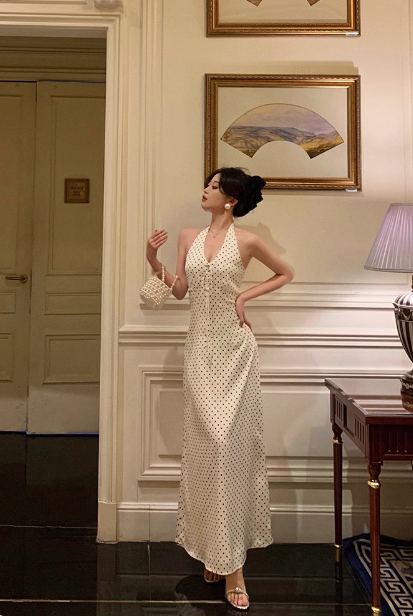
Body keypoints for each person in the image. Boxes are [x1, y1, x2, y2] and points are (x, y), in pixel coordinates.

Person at [146, 167, 293, 610]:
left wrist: (244, 297)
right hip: (199, 353)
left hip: (235, 351)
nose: (205, 190)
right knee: (207, 453)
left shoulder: (247, 241)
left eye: (213, 186)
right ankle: (213, 549)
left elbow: (285, 273)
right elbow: (179, 291)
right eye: (207, 184)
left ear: (230, 199)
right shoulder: (188, 236)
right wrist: (152, 260)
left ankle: (234, 568)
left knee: (231, 450)